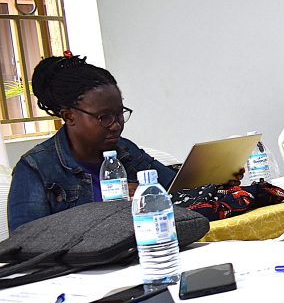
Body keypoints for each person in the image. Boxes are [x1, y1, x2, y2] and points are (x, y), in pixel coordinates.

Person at [8, 55, 175, 233]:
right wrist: (106, 211)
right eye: (104, 117)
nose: (116, 125)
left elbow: (177, 188)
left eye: (119, 113)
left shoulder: (126, 150)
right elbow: (25, 240)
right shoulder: (36, 168)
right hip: (81, 260)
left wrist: (148, 195)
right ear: (69, 117)